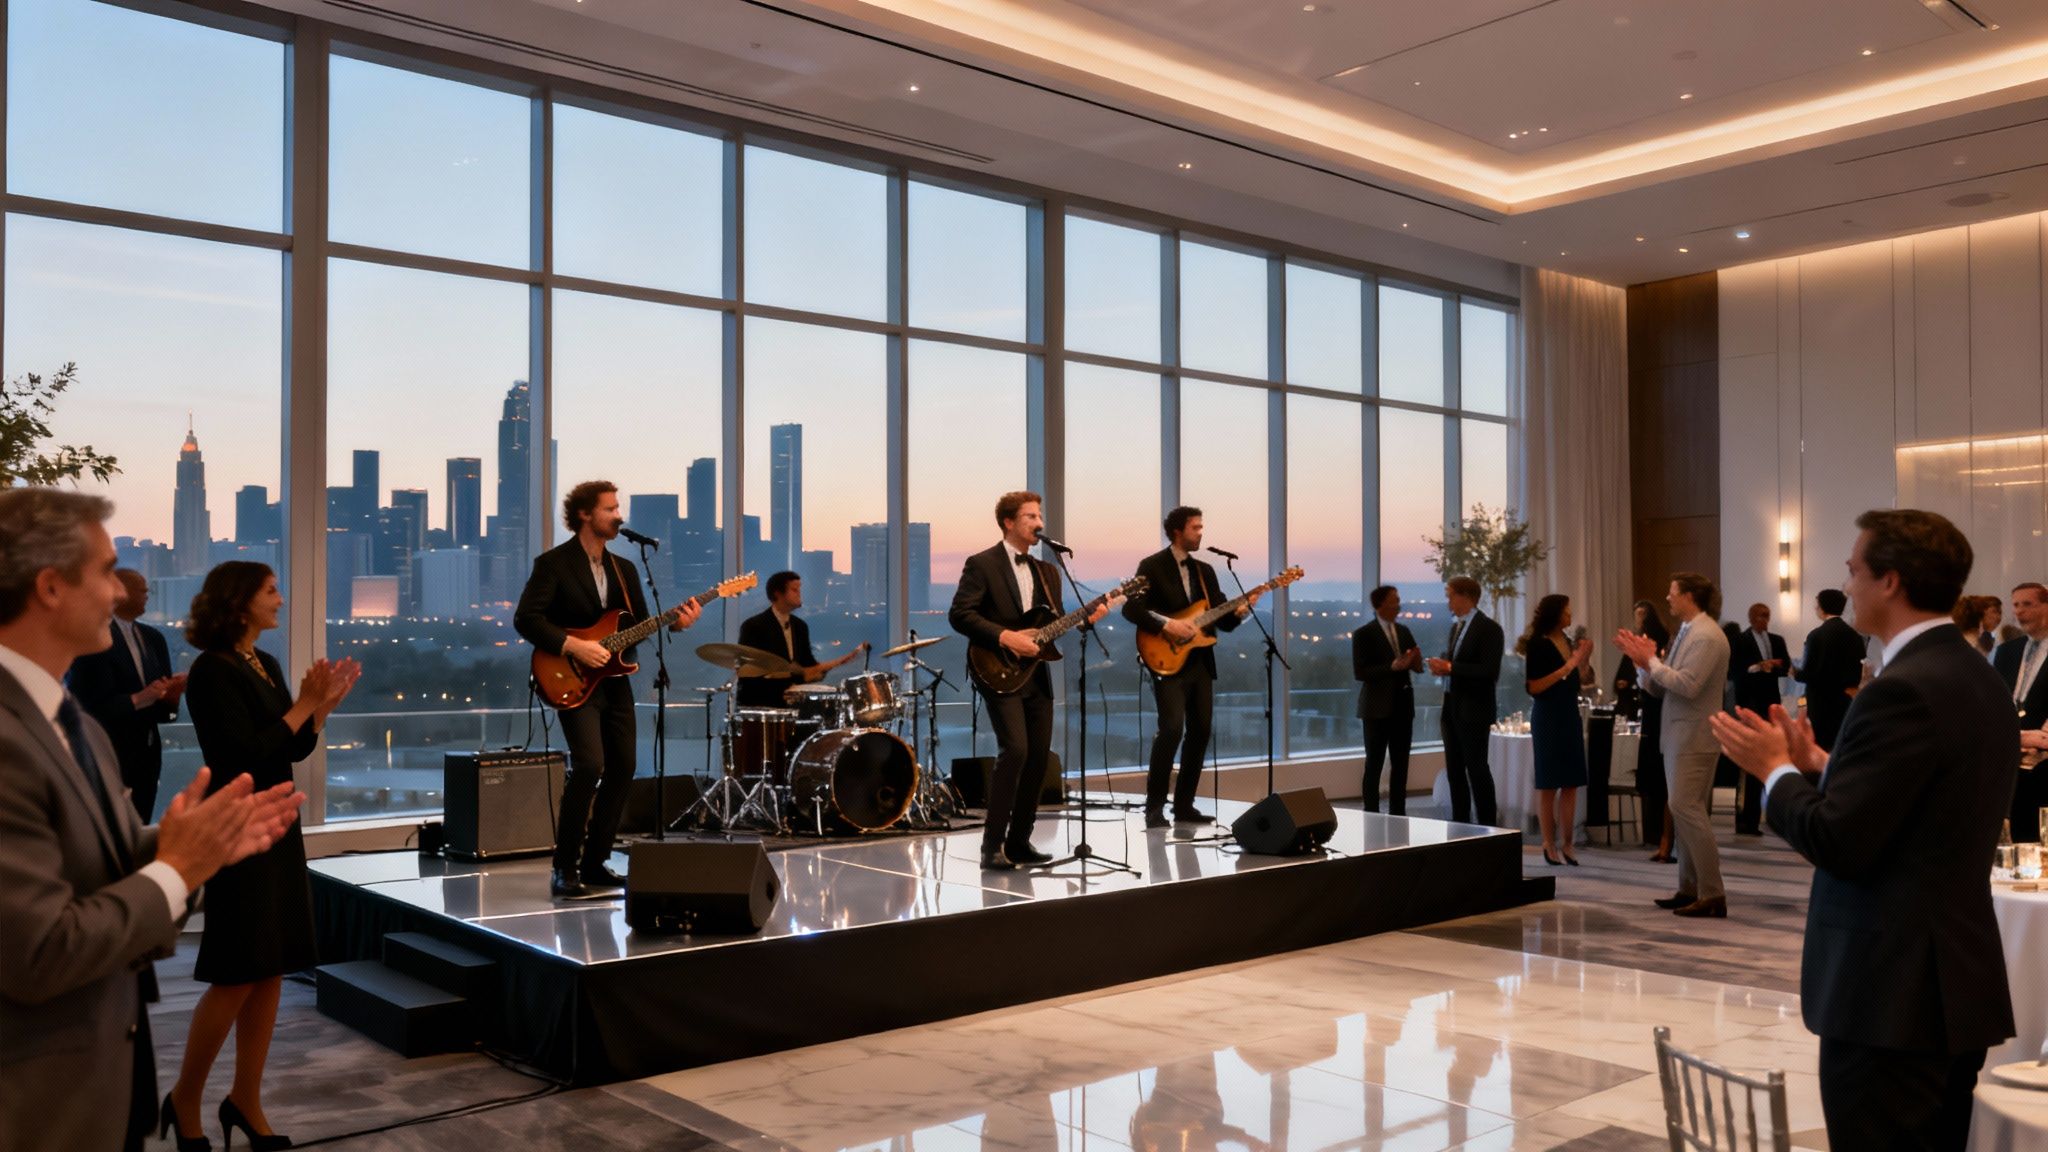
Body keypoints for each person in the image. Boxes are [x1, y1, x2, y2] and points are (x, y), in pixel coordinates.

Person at [0, 488, 303, 1152]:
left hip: (97, 1087)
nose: (123, 592)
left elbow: (84, 864)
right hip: (42, 1107)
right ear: (50, 587)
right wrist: (176, 868)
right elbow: (42, 952)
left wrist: (180, 844)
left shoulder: (64, 719)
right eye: (108, 571)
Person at [1712, 509, 2016, 1151]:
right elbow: (1925, 800)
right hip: (1950, 983)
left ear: (1890, 581)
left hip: (1890, 994)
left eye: (1854, 570)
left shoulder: (1900, 688)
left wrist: (1771, 772)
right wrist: (1824, 764)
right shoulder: (1975, 676)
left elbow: (1838, 842)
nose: (1846, 584)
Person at [166, 561, 360, 1151]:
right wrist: (302, 706)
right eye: (271, 591)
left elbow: (291, 744)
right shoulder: (211, 672)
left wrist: (320, 706)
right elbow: (241, 756)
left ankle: (245, 1100)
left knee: (271, 966)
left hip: (277, 827)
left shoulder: (263, 663)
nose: (281, 599)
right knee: (234, 972)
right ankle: (184, 1099)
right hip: (239, 829)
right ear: (241, 602)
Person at [515, 481, 701, 899]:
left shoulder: (626, 569)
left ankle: (596, 862)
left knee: (623, 768)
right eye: (610, 509)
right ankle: (564, 868)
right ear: (585, 515)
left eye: (618, 508)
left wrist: (675, 622)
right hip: (569, 676)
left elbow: (636, 625)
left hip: (615, 682)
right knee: (588, 766)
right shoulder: (554, 564)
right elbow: (526, 619)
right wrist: (573, 645)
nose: (619, 516)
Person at [949, 491, 1107, 870]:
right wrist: (1006, 637)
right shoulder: (982, 564)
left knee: (1039, 758)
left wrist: (1086, 618)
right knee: (1015, 750)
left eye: (1040, 515)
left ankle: (1020, 842)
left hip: (1036, 674)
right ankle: (992, 846)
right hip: (996, 666)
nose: (1039, 523)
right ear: (1008, 522)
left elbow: (1051, 623)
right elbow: (960, 614)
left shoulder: (1047, 571)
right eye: (1030, 516)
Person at [1122, 506, 1256, 828]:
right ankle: (1154, 807)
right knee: (1171, 730)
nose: (1201, 533)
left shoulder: (1206, 572)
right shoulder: (1152, 566)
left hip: (1199, 661)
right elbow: (1132, 609)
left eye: (1201, 527)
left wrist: (1238, 613)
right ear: (1178, 531)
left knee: (1200, 732)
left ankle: (1184, 806)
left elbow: (1221, 623)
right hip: (1166, 659)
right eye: (1196, 527)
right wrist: (1167, 625)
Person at [1614, 571, 1730, 918]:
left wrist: (1650, 661)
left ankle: (1712, 892)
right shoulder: (1688, 632)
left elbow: (1689, 685)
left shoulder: (1707, 636)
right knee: (1684, 811)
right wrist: (1642, 665)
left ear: (1690, 596)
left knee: (1687, 809)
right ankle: (1689, 887)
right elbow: (1659, 687)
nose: (1667, 599)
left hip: (1694, 735)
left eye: (1672, 593)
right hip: (1678, 733)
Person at [67, 568, 184, 820]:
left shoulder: (154, 638)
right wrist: (139, 699)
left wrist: (171, 698)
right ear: (120, 592)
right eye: (142, 589)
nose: (147, 595)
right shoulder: (93, 637)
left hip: (148, 756)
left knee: (140, 827)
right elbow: (86, 707)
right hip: (106, 755)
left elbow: (162, 709)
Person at [1518, 594, 1593, 865]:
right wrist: (1568, 666)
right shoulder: (1538, 645)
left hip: (1569, 714)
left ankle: (1568, 842)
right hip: (1547, 715)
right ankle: (1548, 842)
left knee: (1571, 782)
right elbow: (1534, 687)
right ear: (1555, 614)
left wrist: (1583, 661)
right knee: (1548, 782)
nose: (1570, 615)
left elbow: (1579, 681)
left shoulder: (1568, 641)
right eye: (1567, 610)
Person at [1424, 576, 1502, 826]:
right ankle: (1461, 826)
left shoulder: (1489, 628)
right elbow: (1458, 665)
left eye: (1450, 595)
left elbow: (1489, 671)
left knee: (1477, 770)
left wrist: (1451, 667)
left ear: (1466, 597)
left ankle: (1488, 825)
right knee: (1454, 771)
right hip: (1452, 706)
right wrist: (1443, 667)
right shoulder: (1456, 627)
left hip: (1474, 709)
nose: (1448, 601)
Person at [734, 571, 866, 709]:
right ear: (777, 594)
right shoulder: (754, 626)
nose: (799, 593)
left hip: (793, 704)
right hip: (761, 705)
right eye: (794, 589)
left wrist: (835, 664)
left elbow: (807, 665)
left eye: (799, 589)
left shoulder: (800, 626)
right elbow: (748, 673)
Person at [1351, 585, 1420, 816]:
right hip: (1376, 708)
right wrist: (1391, 666)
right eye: (1394, 600)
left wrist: (1415, 661)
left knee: (1401, 765)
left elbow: (1415, 664)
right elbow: (1360, 672)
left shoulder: (1404, 631)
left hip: (1403, 706)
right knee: (1374, 764)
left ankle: (1398, 813)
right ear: (1379, 605)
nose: (1398, 604)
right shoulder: (1364, 634)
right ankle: (1370, 813)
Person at [1615, 601, 1673, 861]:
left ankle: (1663, 836)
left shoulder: (1659, 640)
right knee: (1652, 774)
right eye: (1635, 613)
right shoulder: (1641, 641)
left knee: (1660, 776)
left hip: (1659, 711)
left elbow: (1658, 682)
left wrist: (1642, 668)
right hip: (1649, 709)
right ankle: (1655, 834)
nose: (1638, 618)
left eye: (1642, 614)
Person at [1992, 581, 2048, 842]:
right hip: (2011, 754)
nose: (2019, 611)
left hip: (2044, 755)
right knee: (2017, 833)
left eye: (2028, 604)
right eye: (2015, 605)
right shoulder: (2007, 651)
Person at [1728, 602, 1789, 836]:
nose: (1765, 620)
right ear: (1751, 617)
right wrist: (1757, 667)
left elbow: (1785, 666)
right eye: (1761, 616)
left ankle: (1769, 815)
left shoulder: (1776, 640)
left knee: (1770, 759)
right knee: (1748, 764)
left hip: (1770, 704)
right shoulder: (1741, 640)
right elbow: (1735, 671)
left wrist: (1774, 665)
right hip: (1750, 704)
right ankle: (1745, 820)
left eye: (1768, 616)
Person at [1792, 588, 1862, 752]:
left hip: (1820, 704)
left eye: (1817, 605)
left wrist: (1795, 673)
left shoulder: (1816, 635)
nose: (1816, 608)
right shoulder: (1855, 636)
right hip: (1844, 701)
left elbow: (1810, 673)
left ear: (1822, 607)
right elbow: (1858, 670)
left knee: (1819, 748)